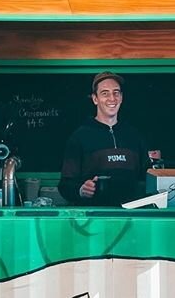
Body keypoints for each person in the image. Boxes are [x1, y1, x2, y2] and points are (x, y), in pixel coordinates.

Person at [58, 71, 149, 206]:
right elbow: (65, 185)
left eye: (116, 93)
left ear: (121, 97)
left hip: (131, 217)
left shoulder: (134, 136)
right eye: (105, 93)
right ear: (95, 99)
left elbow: (147, 179)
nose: (112, 98)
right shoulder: (79, 137)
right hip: (95, 218)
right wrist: (81, 190)